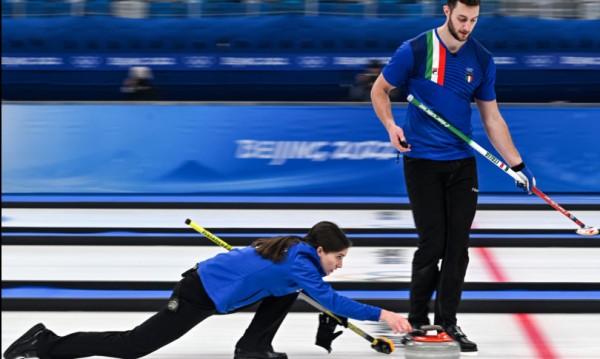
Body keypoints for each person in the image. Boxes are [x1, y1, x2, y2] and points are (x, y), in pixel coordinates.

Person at [370, 0, 535, 353]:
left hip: (463, 164)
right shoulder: (415, 49)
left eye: (474, 20)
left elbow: (492, 119)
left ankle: (448, 322)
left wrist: (517, 165)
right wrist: (390, 126)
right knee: (433, 243)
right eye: (462, 18)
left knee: (457, 248)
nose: (467, 26)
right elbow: (379, 90)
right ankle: (416, 321)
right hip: (422, 162)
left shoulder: (482, 58)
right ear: (446, 11)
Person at [3, 221, 412, 359]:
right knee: (134, 347)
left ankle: (252, 349)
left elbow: (307, 289)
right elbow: (330, 300)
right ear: (321, 250)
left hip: (213, 287)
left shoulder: (297, 254)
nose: (339, 265)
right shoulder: (299, 261)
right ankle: (45, 344)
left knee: (287, 292)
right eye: (338, 258)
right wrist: (385, 315)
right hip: (198, 292)